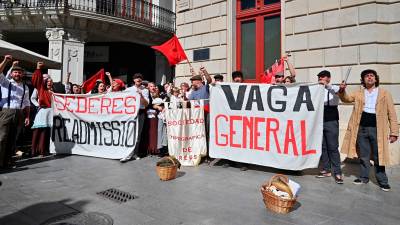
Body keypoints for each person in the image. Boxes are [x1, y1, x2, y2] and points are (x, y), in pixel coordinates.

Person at [338, 69, 398, 191]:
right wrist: (342, 90)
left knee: (378, 156)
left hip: (377, 129)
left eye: (372, 76)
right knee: (364, 155)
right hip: (361, 128)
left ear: (376, 79)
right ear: (363, 80)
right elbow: (347, 99)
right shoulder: (359, 93)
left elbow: (392, 114)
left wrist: (394, 132)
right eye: (367, 76)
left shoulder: (385, 93)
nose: (369, 77)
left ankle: (382, 181)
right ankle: (364, 177)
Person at [0, 55, 30, 169]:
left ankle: (8, 161)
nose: (17, 74)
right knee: (2, 138)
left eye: (19, 72)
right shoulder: (5, 82)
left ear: (22, 74)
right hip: (6, 111)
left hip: (19, 113)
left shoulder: (25, 87)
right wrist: (5, 61)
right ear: (11, 74)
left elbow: (27, 103)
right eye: (15, 72)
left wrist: (27, 116)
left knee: (12, 139)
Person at [315, 70, 343, 184]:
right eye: (319, 77)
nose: (320, 79)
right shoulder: (317, 89)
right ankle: (326, 169)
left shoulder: (334, 88)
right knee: (323, 146)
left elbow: (340, 91)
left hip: (331, 119)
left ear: (329, 78)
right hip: (319, 120)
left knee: (333, 147)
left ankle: (337, 172)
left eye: (323, 77)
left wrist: (326, 85)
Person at [120, 73, 149, 162]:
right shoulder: (129, 89)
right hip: (130, 114)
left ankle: (135, 153)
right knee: (129, 132)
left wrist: (141, 95)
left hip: (140, 113)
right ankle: (126, 152)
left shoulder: (145, 90)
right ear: (134, 80)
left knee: (138, 134)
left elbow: (146, 104)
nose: (138, 79)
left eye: (140, 78)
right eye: (136, 78)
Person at [188, 67, 212, 163]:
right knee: (199, 134)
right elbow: (189, 100)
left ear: (197, 81)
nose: (192, 83)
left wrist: (205, 71)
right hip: (197, 116)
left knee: (206, 133)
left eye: (192, 81)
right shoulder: (194, 91)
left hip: (206, 114)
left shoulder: (205, 87)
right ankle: (201, 153)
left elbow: (209, 80)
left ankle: (208, 155)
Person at [31, 62, 54, 157]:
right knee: (37, 131)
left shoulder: (54, 91)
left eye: (50, 81)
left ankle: (42, 150)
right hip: (42, 111)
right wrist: (38, 69)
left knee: (45, 132)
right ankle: (33, 151)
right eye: (47, 81)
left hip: (50, 112)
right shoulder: (41, 89)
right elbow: (37, 80)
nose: (49, 82)